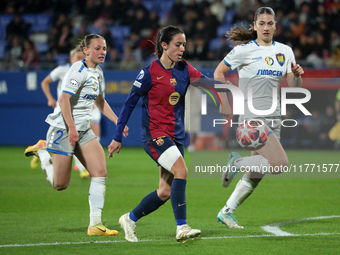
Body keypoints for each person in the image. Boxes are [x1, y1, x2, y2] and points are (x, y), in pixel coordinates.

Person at [108, 25, 206, 243]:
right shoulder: (148, 73)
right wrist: (117, 136)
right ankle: (182, 227)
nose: (182, 49)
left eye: (184, 45)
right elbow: (128, 105)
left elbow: (207, 83)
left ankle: (129, 219)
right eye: (177, 44)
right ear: (164, 45)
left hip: (176, 136)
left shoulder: (185, 69)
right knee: (182, 170)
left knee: (164, 191)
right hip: (155, 135)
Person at [24, 34, 128, 236]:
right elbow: (63, 100)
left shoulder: (98, 73)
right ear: (86, 50)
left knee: (100, 172)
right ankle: (44, 154)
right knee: (60, 184)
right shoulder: (77, 69)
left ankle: (95, 225)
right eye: (97, 48)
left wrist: (118, 121)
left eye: (104, 48)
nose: (102, 52)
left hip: (83, 129)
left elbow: (99, 101)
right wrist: (71, 128)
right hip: (63, 128)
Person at [214, 7, 304, 228]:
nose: (266, 27)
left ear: (275, 26)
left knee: (258, 171)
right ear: (254, 26)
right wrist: (224, 101)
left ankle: (227, 211)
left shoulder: (285, 51)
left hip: (274, 117)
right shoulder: (244, 50)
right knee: (280, 164)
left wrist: (298, 76)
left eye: (270, 23)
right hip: (252, 117)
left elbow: (294, 87)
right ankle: (237, 161)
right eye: (261, 23)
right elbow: (218, 73)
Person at [38, 48, 90, 178]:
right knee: (74, 140)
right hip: (63, 112)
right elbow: (45, 82)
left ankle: (43, 152)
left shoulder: (85, 72)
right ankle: (82, 169)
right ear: (70, 58)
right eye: (77, 57)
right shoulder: (62, 70)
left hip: (77, 113)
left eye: (82, 57)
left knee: (71, 144)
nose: (80, 60)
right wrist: (50, 98)